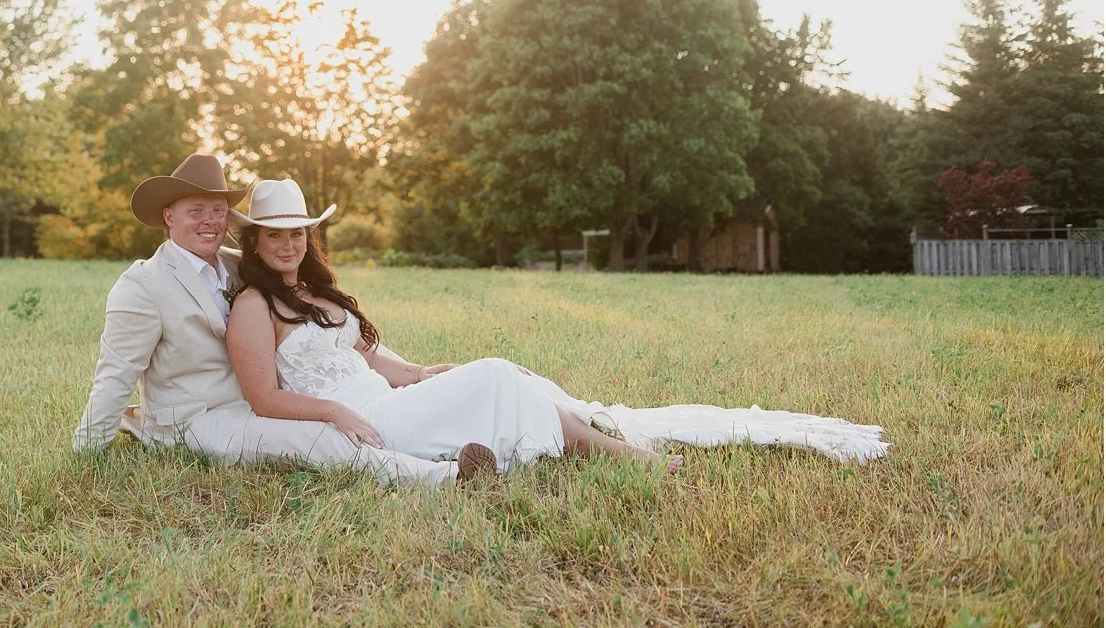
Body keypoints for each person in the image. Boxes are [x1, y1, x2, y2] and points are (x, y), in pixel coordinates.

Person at [225, 179, 686, 474]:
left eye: (297, 234)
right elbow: (263, 398)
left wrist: (423, 373)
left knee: (507, 378)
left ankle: (593, 443)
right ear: (254, 240)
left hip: (387, 399)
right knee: (496, 375)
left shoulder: (314, 291)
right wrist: (333, 412)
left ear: (309, 238)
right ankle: (628, 459)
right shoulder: (253, 305)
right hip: (364, 420)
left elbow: (367, 356)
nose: (288, 245)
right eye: (275, 235)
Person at [71, 153, 474, 487]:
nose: (210, 221)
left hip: (260, 401)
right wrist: (87, 455)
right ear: (168, 217)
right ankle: (443, 480)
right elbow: (115, 374)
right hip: (197, 420)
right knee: (319, 436)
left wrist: (414, 371)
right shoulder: (142, 285)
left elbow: (325, 332)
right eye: (196, 211)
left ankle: (454, 443)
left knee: (363, 415)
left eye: (218, 211)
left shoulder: (237, 266)